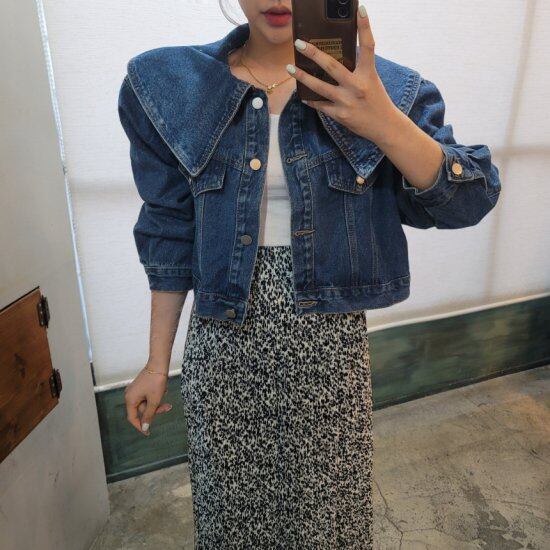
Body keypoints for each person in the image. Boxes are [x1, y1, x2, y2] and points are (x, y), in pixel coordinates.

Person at [118, 1, 502, 548]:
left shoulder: (385, 89)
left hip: (329, 342)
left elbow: (471, 199)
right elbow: (169, 228)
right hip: (222, 340)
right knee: (232, 515)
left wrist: (383, 121)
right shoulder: (175, 88)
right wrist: (157, 364)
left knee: (327, 517)